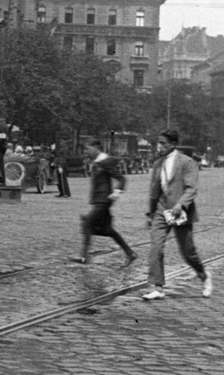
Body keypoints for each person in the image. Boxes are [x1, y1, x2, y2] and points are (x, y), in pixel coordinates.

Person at [142, 129, 212, 300]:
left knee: (188, 251)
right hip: (161, 209)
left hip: (180, 211)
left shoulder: (187, 162)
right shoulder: (158, 163)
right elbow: (154, 190)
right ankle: (158, 287)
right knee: (156, 247)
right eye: (158, 143)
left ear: (173, 144)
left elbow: (191, 189)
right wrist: (150, 213)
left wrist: (181, 205)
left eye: (163, 143)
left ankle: (203, 275)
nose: (159, 146)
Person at [71, 138, 136, 267]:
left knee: (88, 223)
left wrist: (116, 193)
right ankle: (130, 253)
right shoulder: (97, 162)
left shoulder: (105, 162)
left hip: (103, 201)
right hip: (99, 201)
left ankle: (84, 256)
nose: (86, 152)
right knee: (108, 230)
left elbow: (121, 178)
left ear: (96, 148)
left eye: (87, 149)